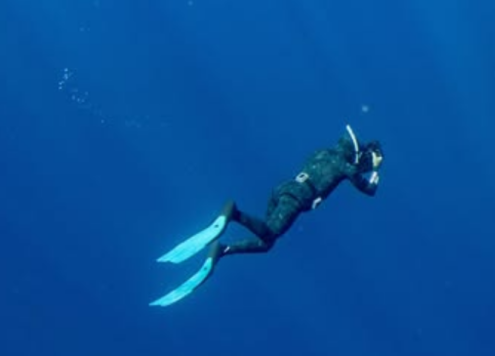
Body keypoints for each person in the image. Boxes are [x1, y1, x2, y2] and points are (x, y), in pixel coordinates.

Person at [150, 124, 384, 307]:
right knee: (272, 232)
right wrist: (373, 181)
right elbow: (365, 188)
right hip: (299, 197)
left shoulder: (324, 153)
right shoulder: (344, 164)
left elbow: (324, 168)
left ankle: (222, 250)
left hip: (283, 190)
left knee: (266, 242)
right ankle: (233, 213)